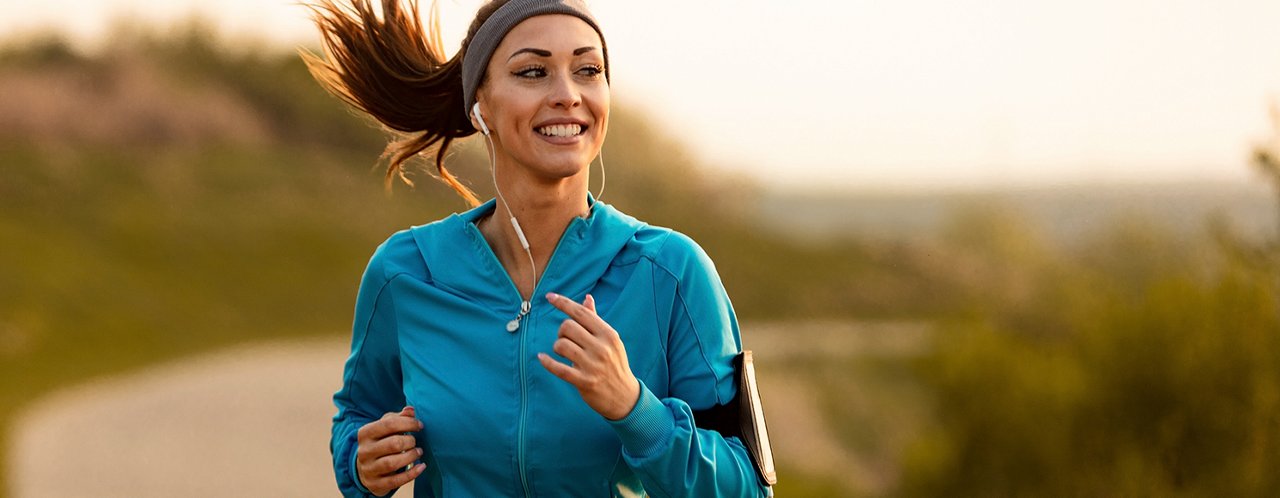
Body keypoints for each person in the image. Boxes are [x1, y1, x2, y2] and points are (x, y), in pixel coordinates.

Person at [305, 0, 772, 496]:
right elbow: (356, 420)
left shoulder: (671, 270)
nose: (568, 94)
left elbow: (748, 486)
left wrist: (635, 408)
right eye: (533, 72)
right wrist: (362, 461)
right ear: (479, 106)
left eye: (588, 70)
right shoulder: (406, 273)